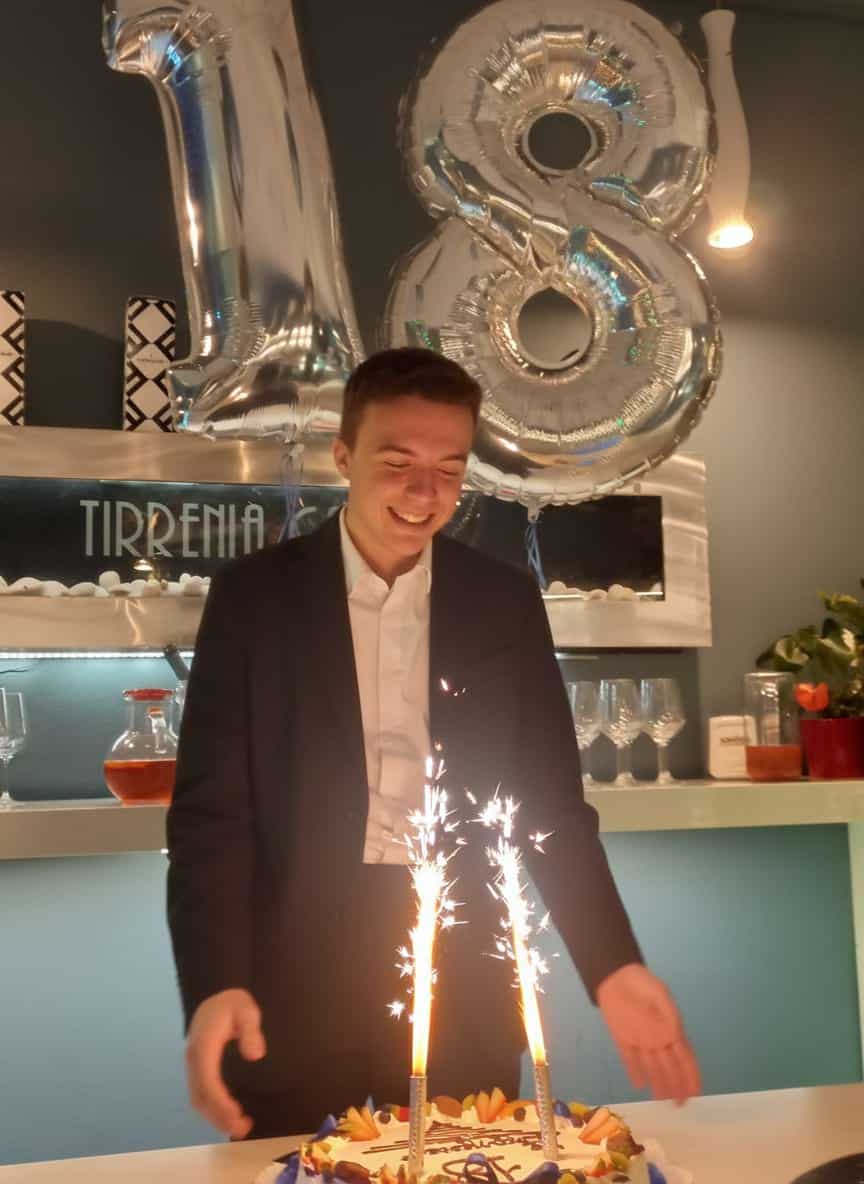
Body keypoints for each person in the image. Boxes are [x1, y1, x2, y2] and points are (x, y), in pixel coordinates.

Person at [167, 348, 701, 1143]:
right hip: (293, 980)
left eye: (450, 470)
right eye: (398, 464)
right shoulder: (254, 598)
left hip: (465, 975)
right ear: (343, 457)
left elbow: (550, 807)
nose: (426, 494)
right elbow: (212, 819)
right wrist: (216, 981)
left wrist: (611, 963)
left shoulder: (502, 602)